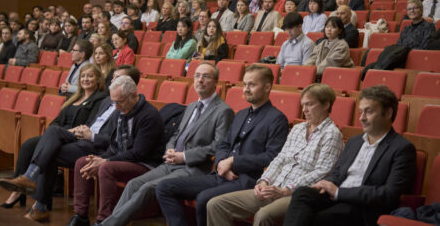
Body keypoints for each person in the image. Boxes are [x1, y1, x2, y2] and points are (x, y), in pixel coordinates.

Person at [99, 62, 235, 226]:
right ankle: (111, 223)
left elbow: (218, 146)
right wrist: (170, 148)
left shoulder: (223, 111)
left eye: (206, 76)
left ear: (216, 82)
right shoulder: (191, 106)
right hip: (171, 163)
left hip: (194, 168)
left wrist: (183, 156)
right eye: (197, 76)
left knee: (148, 187)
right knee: (135, 184)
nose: (200, 80)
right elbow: (177, 134)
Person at [156, 64, 289, 226]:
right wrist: (220, 164)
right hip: (221, 175)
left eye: (252, 85)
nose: (246, 89)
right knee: (164, 187)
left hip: (246, 179)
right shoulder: (240, 114)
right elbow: (223, 145)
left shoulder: (277, 119)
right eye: (245, 84)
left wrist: (233, 162)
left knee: (205, 198)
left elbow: (272, 157)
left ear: (267, 87)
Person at [207, 83, 344, 226]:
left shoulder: (332, 134)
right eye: (303, 105)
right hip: (274, 186)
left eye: (310, 104)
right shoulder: (298, 128)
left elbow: (322, 172)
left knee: (263, 215)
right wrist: (264, 181)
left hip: (297, 194)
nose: (304, 110)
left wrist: (287, 190)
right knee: (216, 205)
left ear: (326, 105)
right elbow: (280, 158)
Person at [282, 85, 417, 226]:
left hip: (363, 206)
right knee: (303, 193)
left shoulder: (402, 149)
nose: (361, 118)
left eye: (368, 112)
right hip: (336, 197)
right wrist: (326, 184)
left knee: (321, 218)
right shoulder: (354, 141)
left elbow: (389, 194)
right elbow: (338, 172)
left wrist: (340, 192)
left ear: (388, 113)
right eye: (360, 112)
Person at [0, 64, 107, 222]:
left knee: (51, 139)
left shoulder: (100, 99)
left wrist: (66, 132)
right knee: (29, 144)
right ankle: (20, 188)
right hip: (58, 136)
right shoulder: (74, 97)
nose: (86, 79)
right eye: (83, 76)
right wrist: (57, 131)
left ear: (98, 79)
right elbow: (56, 122)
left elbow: (89, 126)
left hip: (77, 137)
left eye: (90, 76)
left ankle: (30, 180)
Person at [67, 75, 165, 225]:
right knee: (82, 162)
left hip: (145, 164)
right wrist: (99, 159)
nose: (116, 107)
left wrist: (105, 160)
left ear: (133, 95)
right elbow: (114, 143)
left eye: (119, 102)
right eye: (114, 102)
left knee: (106, 168)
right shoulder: (120, 111)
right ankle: (81, 216)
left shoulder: (149, 115)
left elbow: (139, 153)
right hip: (121, 157)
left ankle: (104, 219)